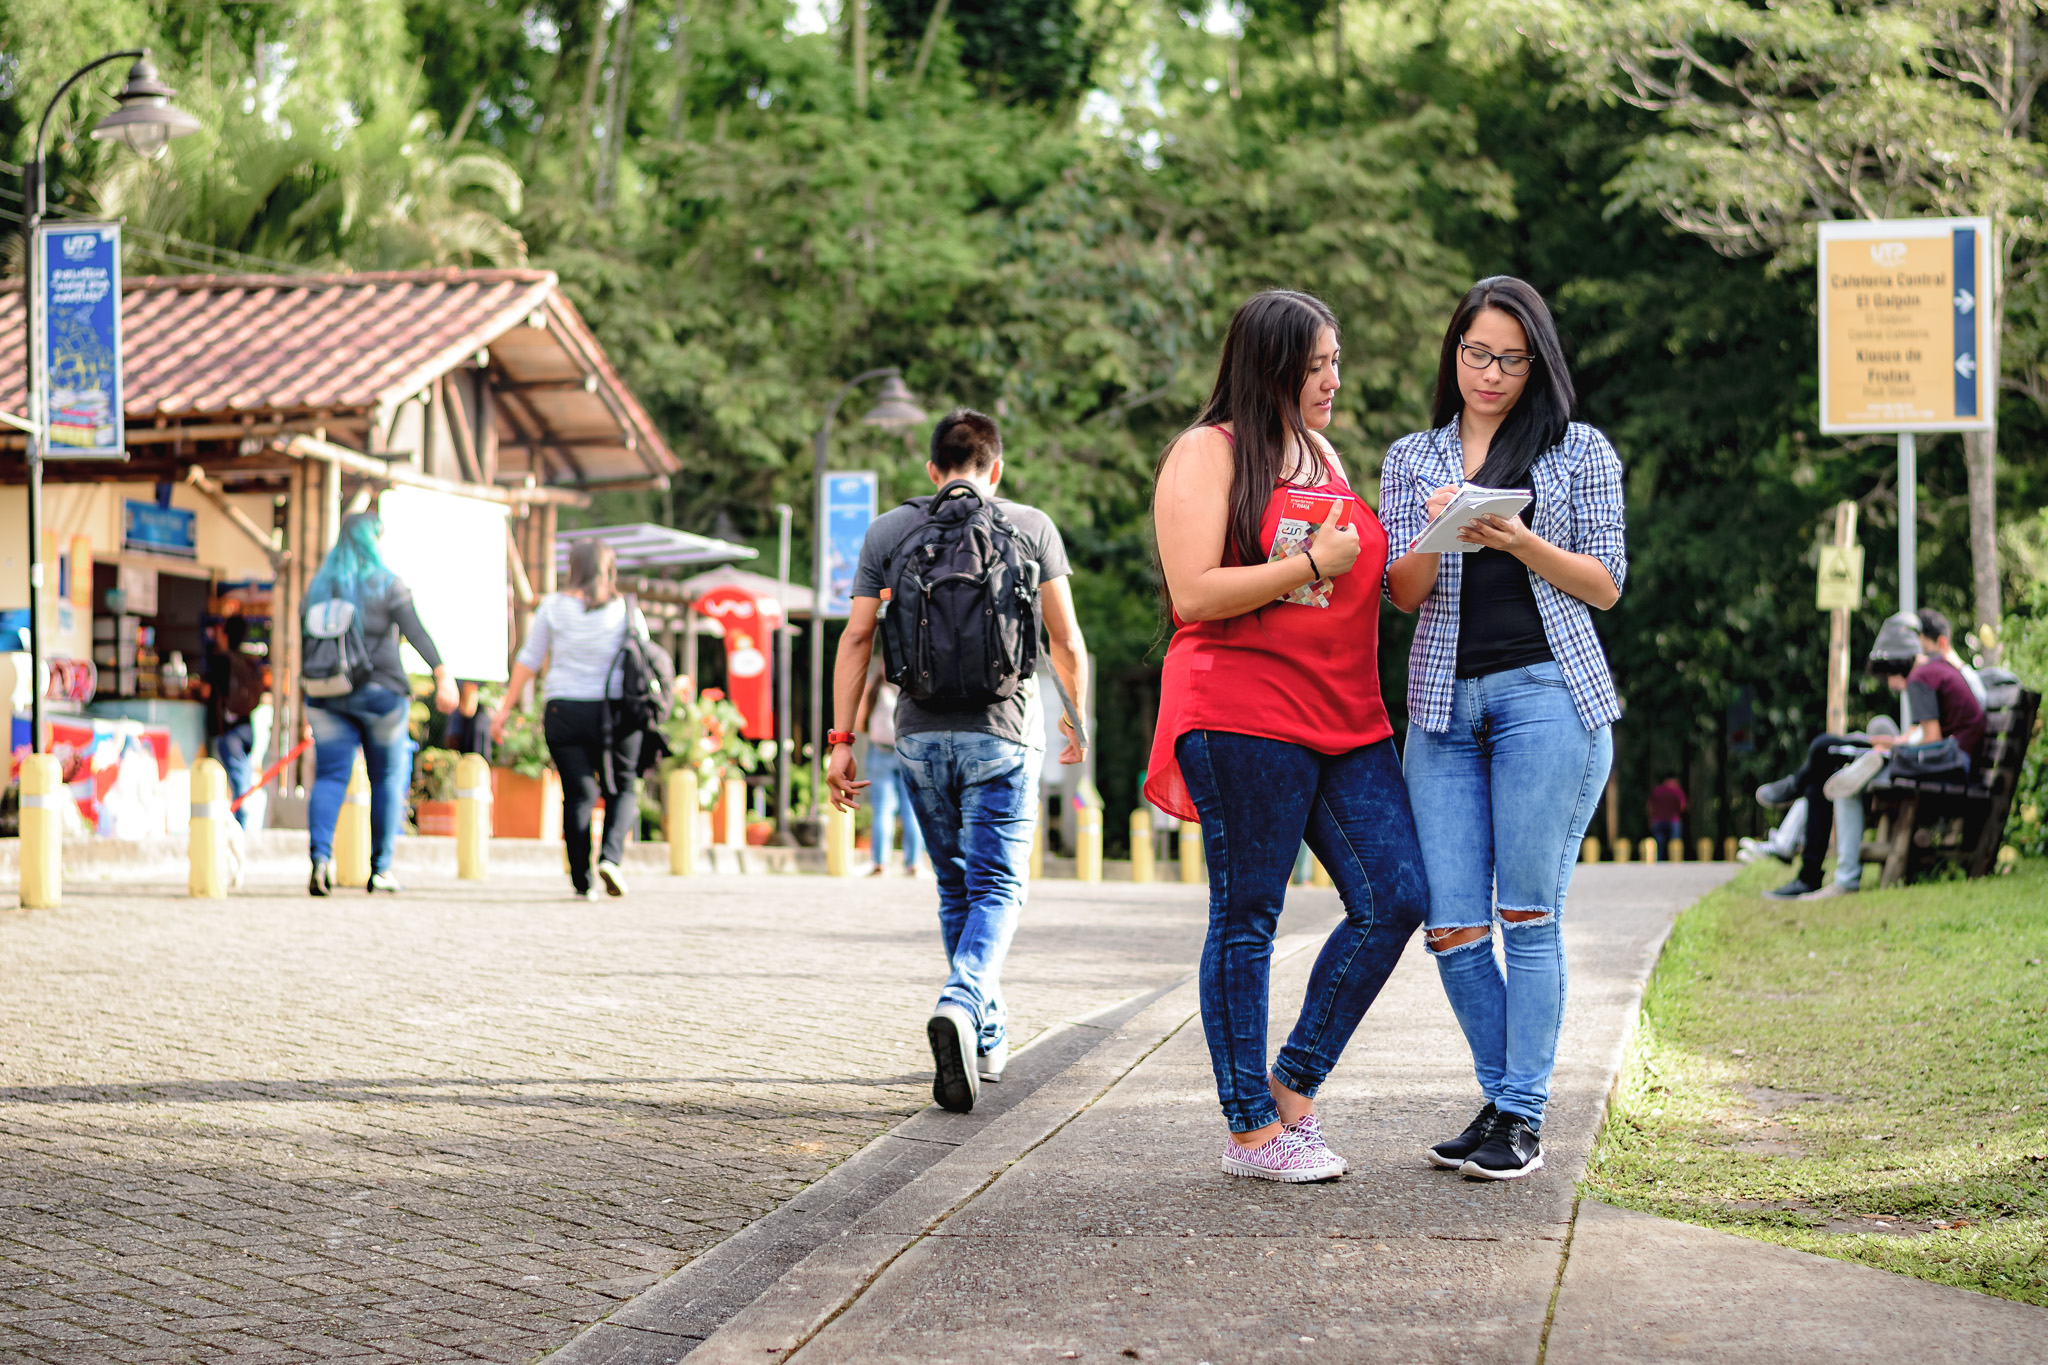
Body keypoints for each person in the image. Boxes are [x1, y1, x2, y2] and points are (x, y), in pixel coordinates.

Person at [1147, 289, 1429, 1183]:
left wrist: (1437, 537)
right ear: (1271, 367)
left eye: (1337, 362)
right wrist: (1311, 563)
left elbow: (1382, 587)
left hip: (1346, 713)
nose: (1333, 380)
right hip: (1241, 708)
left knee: (1397, 895)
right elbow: (1193, 593)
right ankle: (1251, 1129)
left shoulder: (1325, 454)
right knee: (1248, 916)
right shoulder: (1207, 451)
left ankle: (1292, 1087)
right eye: (1317, 365)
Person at [1383, 276, 1626, 1181]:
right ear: (1454, 354)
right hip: (1443, 708)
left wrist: (1517, 539)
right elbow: (1399, 595)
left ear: (1538, 363)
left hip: (1547, 697)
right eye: (1476, 353)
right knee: (1450, 922)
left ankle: (1519, 1115)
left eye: (1510, 358)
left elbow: (1605, 584)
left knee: (1527, 914)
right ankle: (1506, 1098)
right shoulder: (1412, 457)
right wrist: (1441, 530)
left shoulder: (1575, 450)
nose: (1490, 372)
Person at [827, 408, 1087, 1114]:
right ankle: (964, 1000)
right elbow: (1065, 640)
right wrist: (1076, 716)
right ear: (994, 469)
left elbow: (856, 639)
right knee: (999, 887)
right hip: (1003, 734)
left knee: (955, 886)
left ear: (934, 471)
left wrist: (841, 741)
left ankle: (985, 1035)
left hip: (915, 735)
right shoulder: (1030, 526)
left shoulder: (889, 530)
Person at [1763, 610, 1985, 900]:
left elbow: (1932, 739)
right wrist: (1893, 743)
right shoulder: (1936, 668)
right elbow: (1932, 731)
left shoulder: (1920, 678)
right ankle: (1840, 775)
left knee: (1838, 772)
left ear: (1897, 664)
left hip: (1946, 764)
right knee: (1827, 750)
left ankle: (1843, 877)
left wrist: (1895, 749)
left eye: (1890, 675)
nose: (1891, 685)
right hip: (1954, 760)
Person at [304, 510, 457, 895]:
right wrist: (441, 671)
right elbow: (415, 630)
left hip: (325, 694)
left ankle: (320, 861)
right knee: (387, 777)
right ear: (374, 541)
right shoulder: (386, 584)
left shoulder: (319, 586)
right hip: (380, 694)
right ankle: (380, 869)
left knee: (329, 776)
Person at [493, 540, 652, 901]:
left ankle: (583, 883)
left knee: (578, 795)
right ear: (609, 571)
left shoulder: (553, 607)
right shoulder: (625, 610)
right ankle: (610, 858)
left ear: (572, 568)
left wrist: (505, 709)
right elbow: (642, 660)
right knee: (623, 787)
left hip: (563, 711)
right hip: (616, 712)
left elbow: (529, 660)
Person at [856, 664, 923, 876]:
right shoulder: (915, 688)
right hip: (909, 752)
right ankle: (913, 863)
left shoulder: (875, 689)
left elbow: (860, 723)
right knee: (911, 810)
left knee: (883, 809)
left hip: (880, 752)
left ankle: (879, 862)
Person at [205, 615, 267, 828]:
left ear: (226, 634)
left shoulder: (221, 660)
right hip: (246, 727)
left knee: (232, 783)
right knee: (242, 778)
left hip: (228, 730)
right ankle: (241, 823)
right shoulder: (248, 661)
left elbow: (209, 691)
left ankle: (242, 826)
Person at [1647, 775, 1686, 853]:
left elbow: (1649, 806)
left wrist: (1650, 819)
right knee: (1675, 845)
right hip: (1673, 821)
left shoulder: (1657, 790)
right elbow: (1682, 806)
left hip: (1657, 821)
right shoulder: (1677, 791)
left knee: (1658, 846)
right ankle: (1674, 862)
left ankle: (1657, 862)